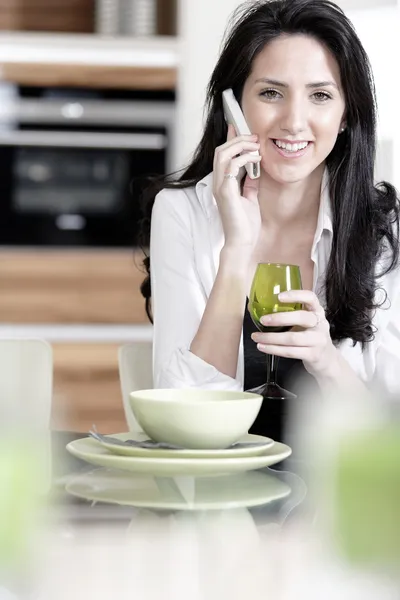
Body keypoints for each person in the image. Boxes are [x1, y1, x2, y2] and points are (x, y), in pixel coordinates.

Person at [138, 0, 400, 442]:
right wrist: (237, 249)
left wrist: (324, 359)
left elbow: (384, 433)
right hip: (219, 489)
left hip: (335, 493)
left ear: (345, 116)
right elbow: (184, 417)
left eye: (320, 95)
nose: (294, 122)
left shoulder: (382, 230)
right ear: (233, 106)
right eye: (271, 93)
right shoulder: (181, 212)